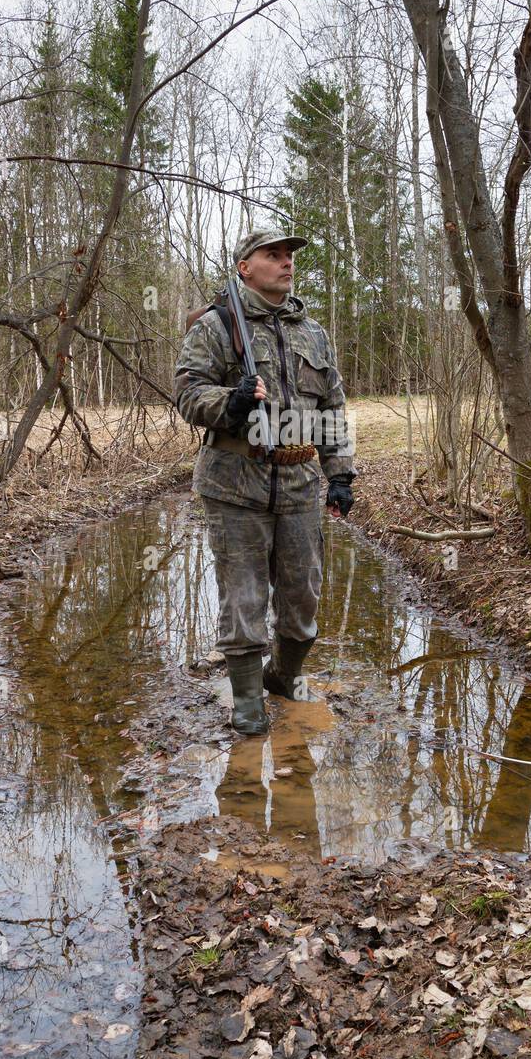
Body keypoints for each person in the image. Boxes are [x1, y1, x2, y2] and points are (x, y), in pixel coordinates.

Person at [174, 228, 356, 735]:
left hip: (300, 483)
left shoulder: (314, 333)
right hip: (234, 485)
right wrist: (225, 404)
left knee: (303, 598)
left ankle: (284, 676)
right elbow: (187, 393)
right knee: (244, 599)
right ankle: (248, 702)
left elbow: (333, 408)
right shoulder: (214, 326)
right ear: (244, 267)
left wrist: (339, 474)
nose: (285, 263)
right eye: (272, 255)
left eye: (289, 256)